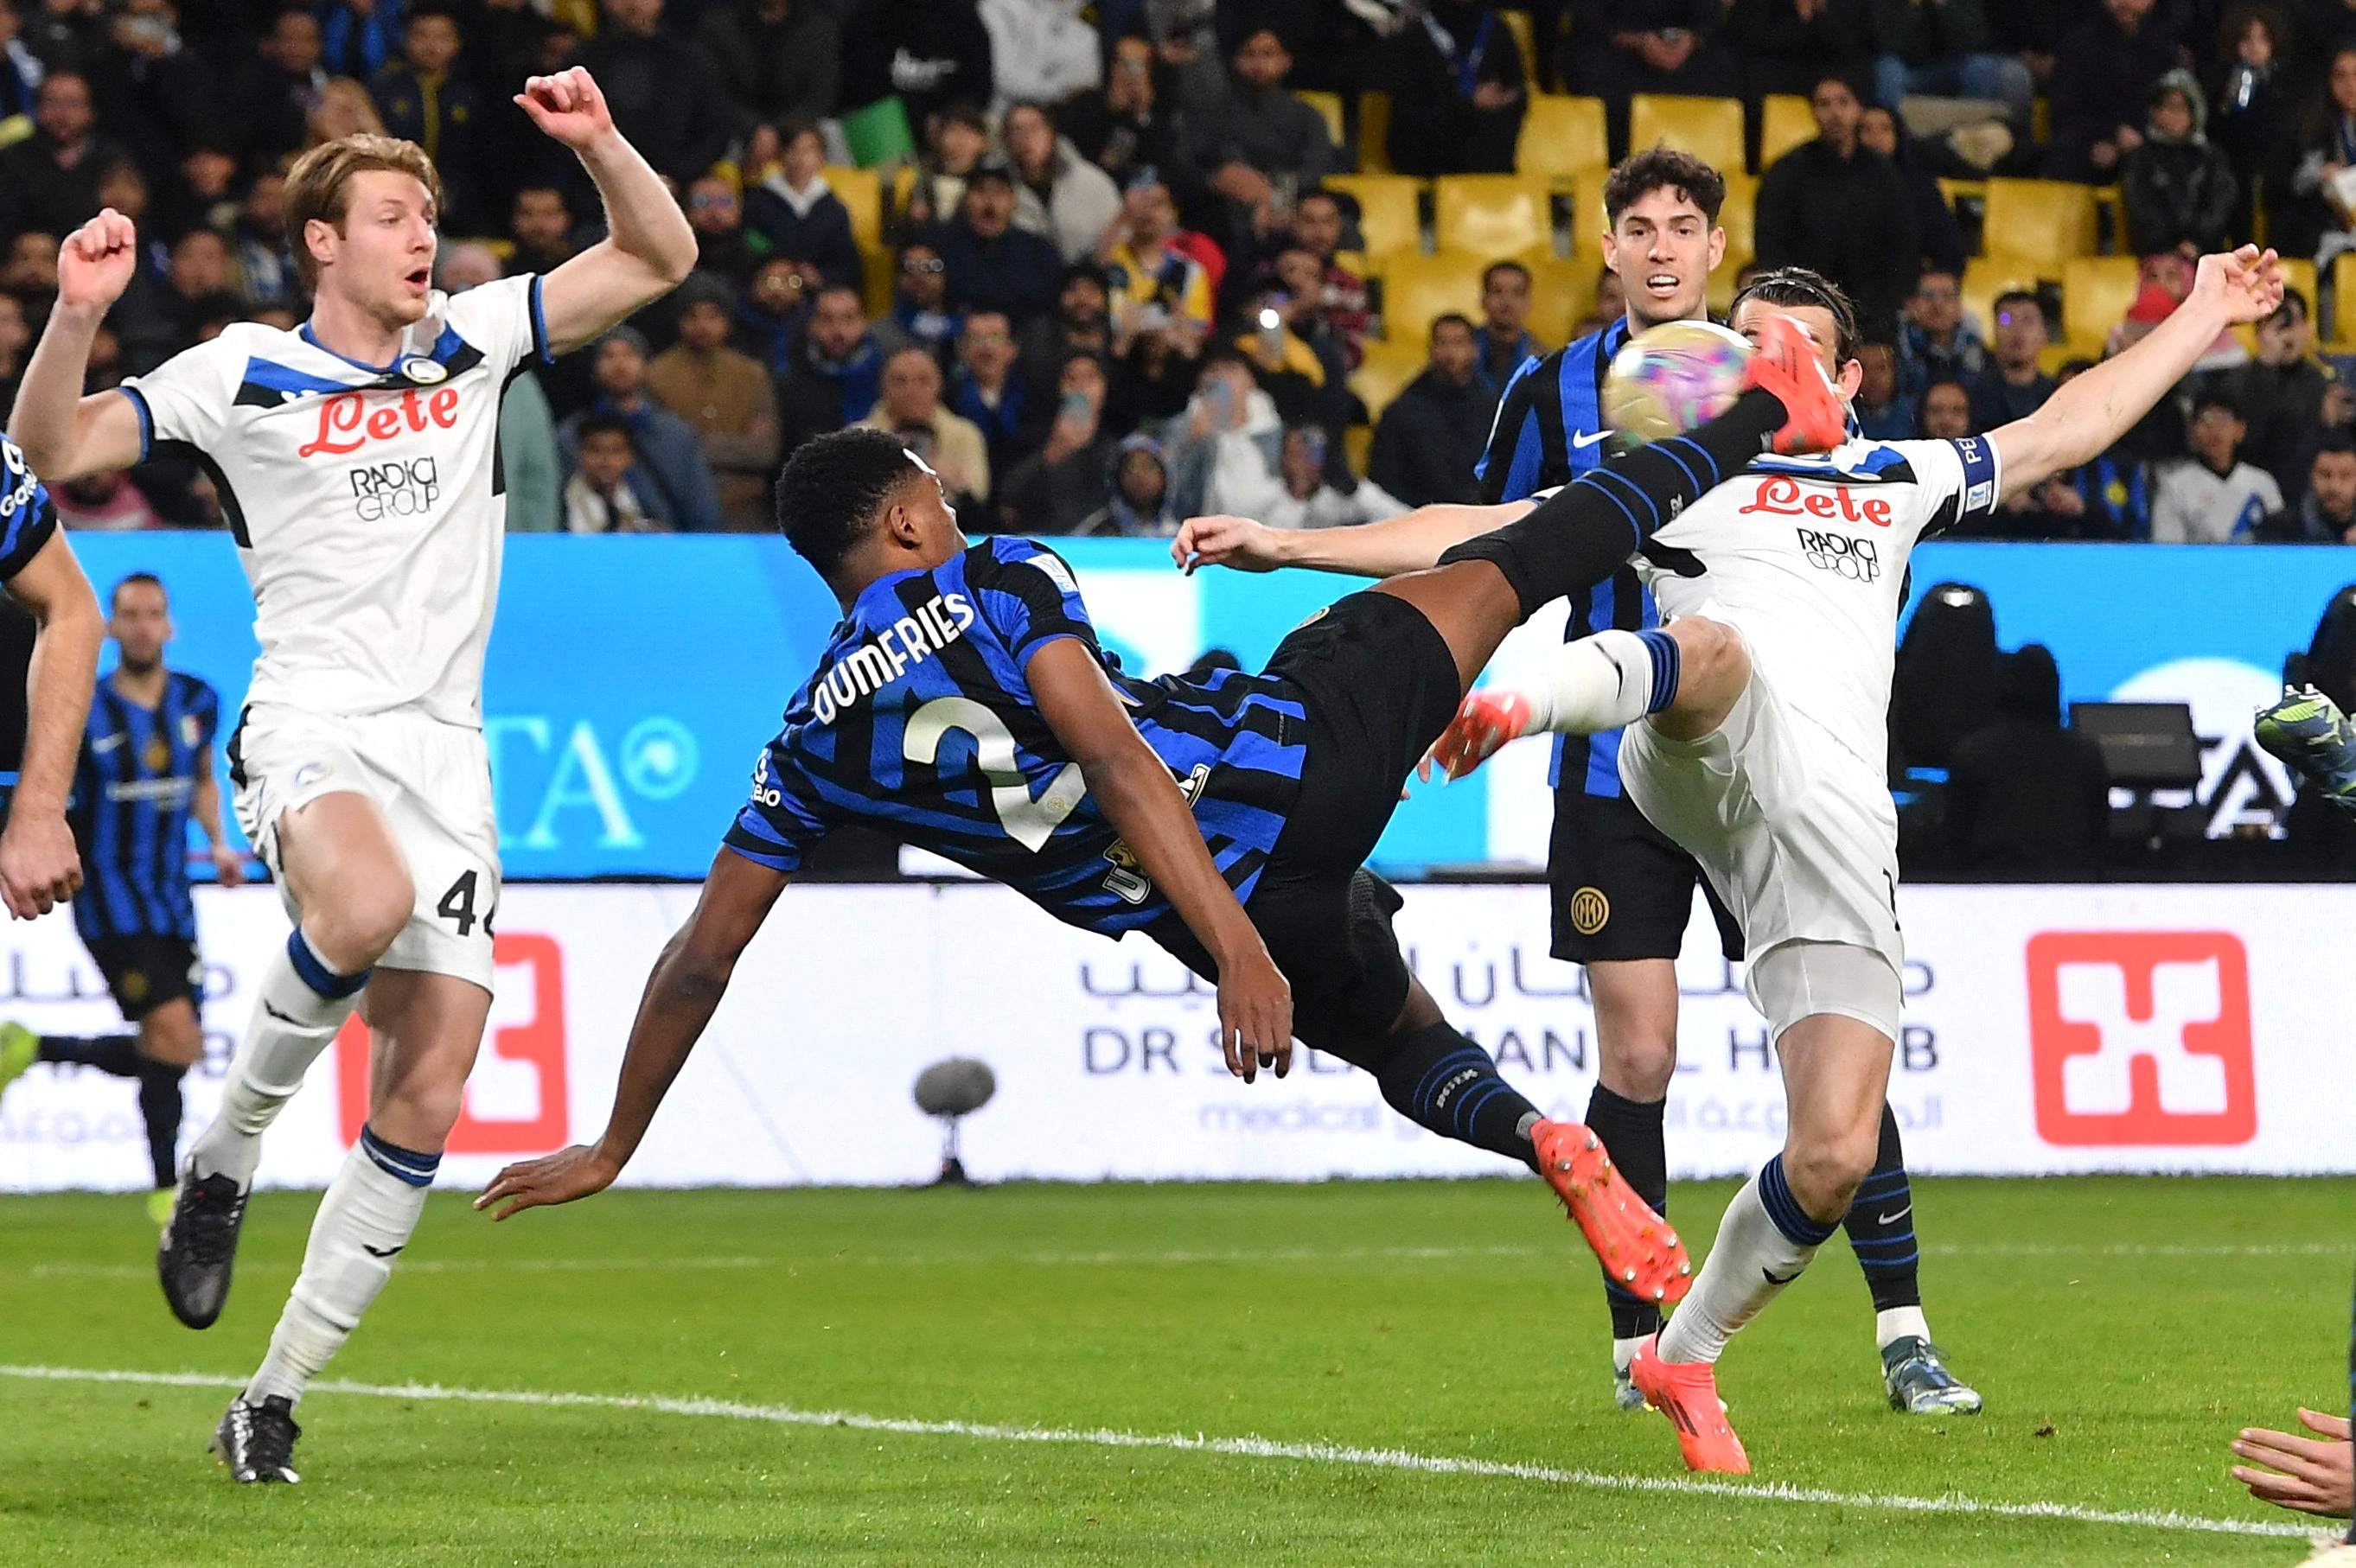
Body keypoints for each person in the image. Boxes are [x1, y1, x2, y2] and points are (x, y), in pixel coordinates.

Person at [473, 361, 1853, 1305]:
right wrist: (1245, 947)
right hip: (1286, 772)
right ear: (903, 517)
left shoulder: (807, 744)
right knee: (1518, 560)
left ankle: (1550, 1140)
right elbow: (1119, 755)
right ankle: (1764, 411)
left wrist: (611, 1139)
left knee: (1403, 1042)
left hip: (1200, 908)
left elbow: (699, 959)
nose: (951, 505)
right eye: (934, 493)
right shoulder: (999, 573)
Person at [1407, 244, 2283, 1470]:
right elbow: (1483, 529)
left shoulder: (1896, 474)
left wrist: (2201, 311)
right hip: (1696, 757)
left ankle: (1687, 1354)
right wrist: (1283, 547)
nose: (1761, 364)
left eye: (1790, 349)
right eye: (1744, 345)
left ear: (1848, 376)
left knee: (1831, 1153)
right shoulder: (1671, 472)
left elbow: (2063, 429)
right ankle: (1525, 704)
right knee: (1711, 648)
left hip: (1830, 831)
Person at [6, 65, 697, 1484]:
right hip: (311, 714)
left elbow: (658, 255)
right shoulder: (241, 371)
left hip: (449, 745)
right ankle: (226, 1154)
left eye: (428, 213)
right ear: (323, 240)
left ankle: (270, 1392)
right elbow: (49, 448)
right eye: (392, 215)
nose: (421, 236)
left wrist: (602, 141)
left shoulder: (476, 340)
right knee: (362, 897)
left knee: (430, 1085)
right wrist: (78, 312)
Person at [1214, 150, 1975, 1421]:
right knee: (1640, 1049)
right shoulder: (1550, 386)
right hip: (1611, 755)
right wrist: (1294, 547)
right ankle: (1641, 1340)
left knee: (1833, 1050)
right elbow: (1488, 532)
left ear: (1716, 250)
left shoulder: (1792, 409)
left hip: (1761, 744)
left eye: (1685, 226)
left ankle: (1903, 1326)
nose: (1662, 247)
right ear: (1611, 250)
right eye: (1639, 228)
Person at [0, 571, 238, 1219]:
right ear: (110, 625)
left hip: (171, 895)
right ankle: (167, 1190)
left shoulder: (196, 700)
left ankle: (33, 1048)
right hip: (110, 898)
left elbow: (201, 779)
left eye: (152, 613)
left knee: (176, 1047)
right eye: (128, 614)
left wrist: (218, 842)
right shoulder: (84, 709)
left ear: (169, 625)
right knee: (172, 1036)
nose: (141, 625)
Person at [1753, 73, 1919, 328]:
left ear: (1859, 108)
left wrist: (1883, 316)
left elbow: (1903, 248)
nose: (1835, 113)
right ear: (1813, 112)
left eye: (1843, 102)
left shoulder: (1885, 175)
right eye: (1824, 104)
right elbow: (1771, 246)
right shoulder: (1787, 172)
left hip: (1874, 315)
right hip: (1801, 311)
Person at [1944, 644, 2110, 876]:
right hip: (2070, 889)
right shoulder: (2086, 756)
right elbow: (2099, 840)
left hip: (1991, 889)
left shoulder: (1974, 754)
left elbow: (1955, 843)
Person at [555, 328, 725, 532]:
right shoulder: (570, 435)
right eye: (608, 356)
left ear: (646, 364)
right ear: (595, 366)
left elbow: (702, 512)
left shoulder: (677, 436)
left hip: (666, 552)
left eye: (629, 355)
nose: (620, 365)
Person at [646, 279, 782, 532]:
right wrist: (732, 445)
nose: (702, 326)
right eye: (693, 316)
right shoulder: (656, 375)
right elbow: (661, 448)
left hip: (746, 508)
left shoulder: (752, 374)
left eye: (713, 316)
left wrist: (696, 443)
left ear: (727, 320)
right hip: (678, 502)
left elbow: (764, 450)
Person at [2041, 0, 2183, 183]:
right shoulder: (2078, 45)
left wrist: (2138, 137)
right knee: (2066, 152)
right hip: (2089, 145)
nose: (2124, 2)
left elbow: (2174, 110)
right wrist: (2111, 134)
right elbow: (2064, 113)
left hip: (2147, 144)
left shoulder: (2165, 48)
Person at [1383, 0, 1527, 176]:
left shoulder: (1496, 29)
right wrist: (1467, 104)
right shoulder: (1413, 37)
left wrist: (1501, 99)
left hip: (1486, 151)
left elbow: (1516, 88)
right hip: (1428, 153)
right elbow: (1410, 109)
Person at [1366, 314, 1490, 507]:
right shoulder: (1402, 412)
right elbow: (1385, 479)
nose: (1450, 353)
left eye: (1458, 343)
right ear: (1431, 350)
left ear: (1475, 350)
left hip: (1478, 521)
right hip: (1413, 519)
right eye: (1442, 343)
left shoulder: (1493, 410)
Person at [859, 343, 991, 510]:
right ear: (883, 387)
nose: (912, 390)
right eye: (900, 381)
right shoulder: (860, 436)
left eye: (923, 380)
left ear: (939, 385)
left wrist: (952, 481)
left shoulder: (966, 435)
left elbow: (979, 497)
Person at [932, 163, 1064, 328]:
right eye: (981, 191)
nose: (990, 203)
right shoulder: (938, 244)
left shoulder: (1039, 252)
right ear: (965, 199)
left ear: (1013, 202)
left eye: (999, 193)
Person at [2121, 70, 2238, 256]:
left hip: (2205, 255)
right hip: (2156, 256)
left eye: (2182, 109)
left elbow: (2219, 205)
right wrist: (2169, 245)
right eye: (2168, 107)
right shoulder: (2141, 159)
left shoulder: (2212, 157)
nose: (2174, 116)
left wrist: (2196, 241)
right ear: (2155, 112)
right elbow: (2141, 208)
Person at [1868, 0, 2033, 124]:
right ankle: (1896, 146)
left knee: (1996, 71)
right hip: (1907, 70)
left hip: (1956, 66)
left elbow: (1972, 41)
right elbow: (1888, 43)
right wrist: (1913, 9)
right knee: (1888, 70)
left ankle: (1973, 141)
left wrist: (1944, 6)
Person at [744, 121, 862, 292]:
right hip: (772, 288)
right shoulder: (759, 201)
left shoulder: (833, 209)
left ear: (821, 158)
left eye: (808, 151)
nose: (800, 159)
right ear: (781, 155)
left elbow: (846, 263)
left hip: (819, 292)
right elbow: (752, 244)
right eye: (793, 150)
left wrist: (821, 277)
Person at [2152, 389, 2282, 541]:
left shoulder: (2262, 482)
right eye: (2206, 419)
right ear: (2193, 431)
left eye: (2225, 419)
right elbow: (2167, 548)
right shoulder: (2175, 486)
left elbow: (2278, 542)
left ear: (2240, 430)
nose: (2215, 428)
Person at [1003, 99, 1121, 265]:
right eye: (1016, 131)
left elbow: (1119, 236)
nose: (1026, 138)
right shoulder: (1001, 189)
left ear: (1051, 133)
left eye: (1034, 129)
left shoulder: (1091, 182)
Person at [1963, 290, 2055, 430]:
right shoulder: (1969, 394)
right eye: (2005, 319)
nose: (2017, 329)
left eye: (2028, 320)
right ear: (1993, 330)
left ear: (2044, 333)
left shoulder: (2056, 395)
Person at [2259, 428, 2356, 539]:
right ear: (2311, 476)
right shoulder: (2278, 528)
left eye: (2345, 476)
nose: (2334, 486)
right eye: (2324, 474)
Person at [1476, 260, 1542, 391]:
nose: (1506, 301)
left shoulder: (1542, 358)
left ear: (1527, 302)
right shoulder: (1462, 350)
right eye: (1497, 291)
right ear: (1484, 300)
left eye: (1517, 293)